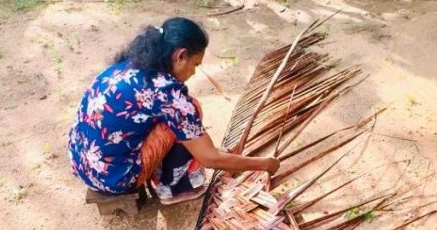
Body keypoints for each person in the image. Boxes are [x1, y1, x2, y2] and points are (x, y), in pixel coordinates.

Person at [68, 17, 280, 205]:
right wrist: (265, 164)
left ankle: (165, 174)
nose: (194, 72)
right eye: (195, 64)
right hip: (114, 179)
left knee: (181, 117)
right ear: (181, 56)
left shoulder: (129, 63)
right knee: (190, 110)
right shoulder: (167, 92)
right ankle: (174, 189)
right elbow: (209, 159)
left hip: (83, 163)